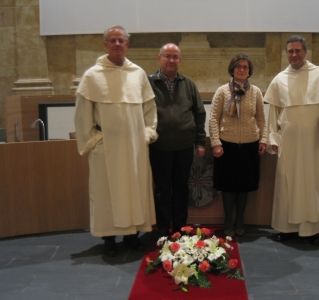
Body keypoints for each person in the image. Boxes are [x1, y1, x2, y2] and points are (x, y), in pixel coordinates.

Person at [74, 25, 158, 256]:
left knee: (134, 190)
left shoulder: (138, 73)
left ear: (127, 44)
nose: (117, 44)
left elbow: (149, 109)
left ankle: (132, 236)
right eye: (112, 40)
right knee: (105, 193)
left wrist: (148, 133)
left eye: (121, 40)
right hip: (105, 147)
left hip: (134, 147)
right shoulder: (92, 76)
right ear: (105, 44)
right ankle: (108, 239)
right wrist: (93, 141)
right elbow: (82, 115)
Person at [264, 35, 319, 246]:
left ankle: (312, 229)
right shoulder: (279, 79)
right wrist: (273, 139)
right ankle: (286, 228)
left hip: (314, 144)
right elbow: (273, 115)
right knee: (288, 183)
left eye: (297, 51)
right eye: (290, 51)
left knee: (313, 183)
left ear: (305, 52)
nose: (294, 55)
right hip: (289, 145)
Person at [148, 43, 206, 236]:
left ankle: (180, 228)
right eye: (167, 56)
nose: (171, 60)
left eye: (175, 57)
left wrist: (200, 142)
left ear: (180, 60)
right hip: (159, 146)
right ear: (159, 58)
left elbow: (199, 113)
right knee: (162, 189)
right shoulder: (148, 83)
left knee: (181, 188)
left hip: (183, 147)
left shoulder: (188, 84)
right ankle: (163, 229)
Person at [209, 53, 267, 237]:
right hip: (227, 146)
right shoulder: (222, 91)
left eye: (245, 67)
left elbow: (261, 119)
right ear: (232, 70)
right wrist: (216, 143)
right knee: (228, 186)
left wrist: (263, 139)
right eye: (239, 67)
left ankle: (240, 221)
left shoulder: (256, 91)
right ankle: (228, 222)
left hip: (249, 146)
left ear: (249, 71)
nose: (242, 70)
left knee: (244, 186)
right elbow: (213, 119)